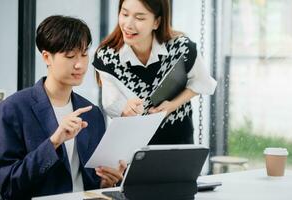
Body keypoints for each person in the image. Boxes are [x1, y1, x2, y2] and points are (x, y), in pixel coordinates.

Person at [0, 15, 126, 199]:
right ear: (47, 57)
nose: (80, 64)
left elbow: (90, 180)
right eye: (70, 56)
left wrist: (105, 182)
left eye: (84, 54)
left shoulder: (92, 112)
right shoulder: (13, 109)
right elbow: (9, 186)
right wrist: (54, 141)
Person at [93, 0, 217, 145]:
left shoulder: (181, 47)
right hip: (134, 144)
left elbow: (202, 82)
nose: (128, 24)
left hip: (179, 139)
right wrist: (126, 109)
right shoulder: (107, 57)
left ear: (156, 22)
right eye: (124, 14)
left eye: (139, 18)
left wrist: (172, 105)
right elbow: (111, 104)